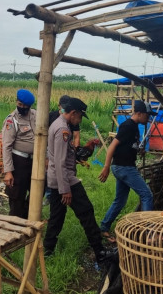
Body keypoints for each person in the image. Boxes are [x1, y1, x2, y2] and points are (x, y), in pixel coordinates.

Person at [44, 97, 111, 265]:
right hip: (65, 180)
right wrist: (65, 189)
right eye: (80, 116)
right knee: (86, 211)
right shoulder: (62, 130)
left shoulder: (60, 125)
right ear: (73, 113)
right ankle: (100, 252)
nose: (80, 120)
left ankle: (47, 250)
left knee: (56, 218)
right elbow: (59, 161)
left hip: (57, 179)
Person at [98, 100, 155, 241]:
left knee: (120, 200)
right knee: (147, 195)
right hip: (124, 168)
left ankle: (104, 227)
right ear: (139, 114)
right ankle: (149, 234)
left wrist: (138, 150)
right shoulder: (128, 126)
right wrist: (106, 167)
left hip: (122, 166)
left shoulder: (134, 127)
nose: (148, 118)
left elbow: (128, 145)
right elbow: (113, 145)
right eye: (147, 115)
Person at [1, 89, 37, 219]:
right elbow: (6, 146)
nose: (22, 108)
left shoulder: (35, 115)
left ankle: (28, 219)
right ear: (17, 101)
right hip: (19, 161)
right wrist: (8, 171)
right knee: (17, 195)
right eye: (20, 104)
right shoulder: (12, 120)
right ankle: (14, 225)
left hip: (35, 161)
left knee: (36, 193)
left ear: (30, 106)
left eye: (25, 106)